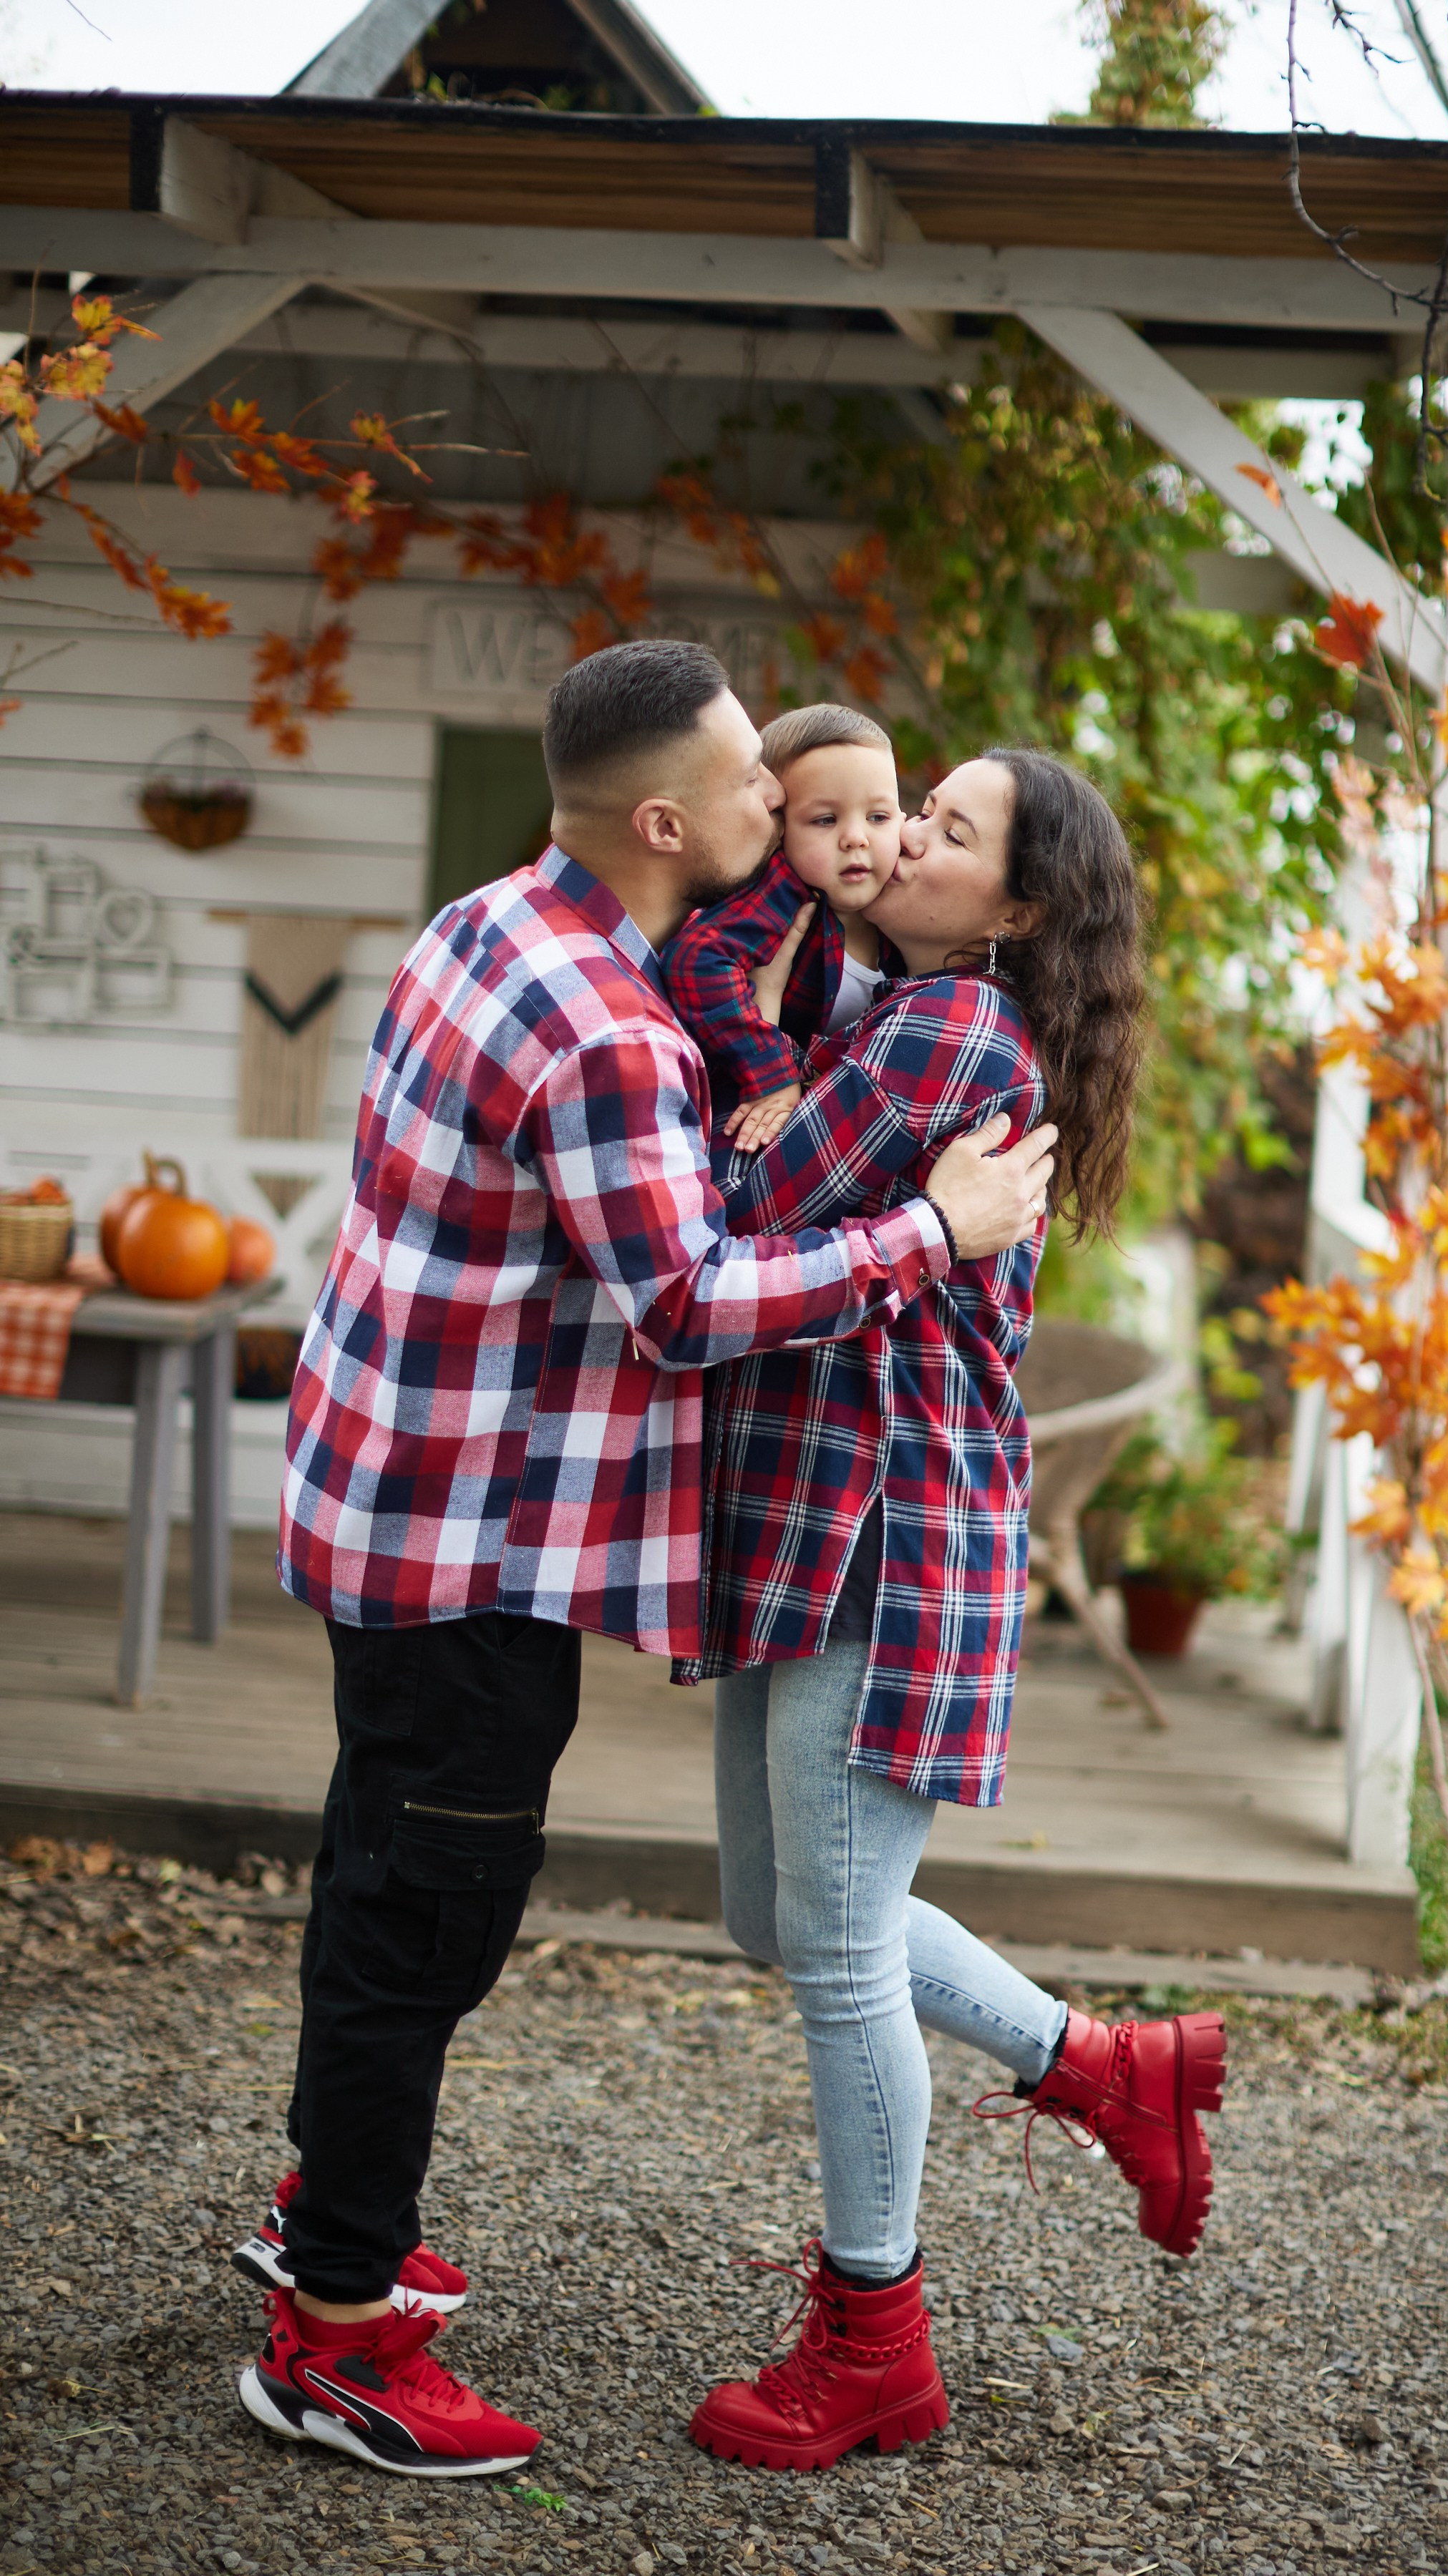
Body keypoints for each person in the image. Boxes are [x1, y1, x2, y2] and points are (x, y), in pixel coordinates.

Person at [231, 640, 1056, 2481]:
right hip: (480, 1543)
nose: (803, 804)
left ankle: (324, 2222)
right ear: (669, 817)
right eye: (764, 782)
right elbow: (686, 1301)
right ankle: (336, 2334)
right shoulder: (605, 1024)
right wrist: (935, 1224)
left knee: (378, 1879)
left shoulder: (483, 922)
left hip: (381, 1499)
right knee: (419, 1927)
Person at [678, 749, 1226, 2474]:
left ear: (1016, 908)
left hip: (880, 1537)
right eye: (909, 808)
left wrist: (736, 1123)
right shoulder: (886, 1011)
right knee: (783, 1916)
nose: (899, 834)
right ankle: (1103, 2066)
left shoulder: (942, 1034)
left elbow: (739, 1216)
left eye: (948, 827)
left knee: (834, 1957)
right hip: (821, 1530)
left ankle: (872, 2343)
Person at [664, 701, 903, 1157]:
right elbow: (696, 961)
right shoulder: (784, 894)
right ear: (779, 832)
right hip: (740, 1111)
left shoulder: (902, 903)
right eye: (825, 820)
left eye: (878, 817)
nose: (857, 837)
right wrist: (771, 1072)